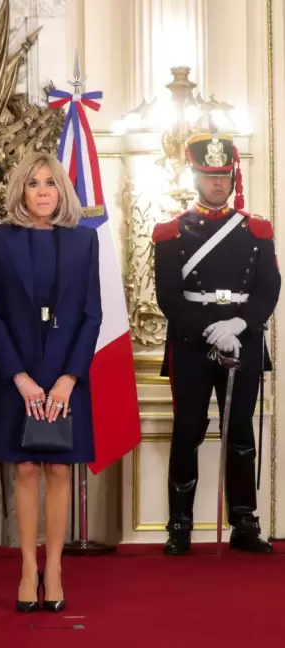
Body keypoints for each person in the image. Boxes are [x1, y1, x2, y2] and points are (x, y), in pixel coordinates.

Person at [0, 152, 101, 612]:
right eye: (33, 183)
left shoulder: (83, 242)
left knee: (58, 469)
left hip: (67, 374)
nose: (43, 191)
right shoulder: (1, 238)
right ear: (21, 191)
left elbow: (92, 314)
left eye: (50, 183)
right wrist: (21, 378)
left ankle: (54, 568)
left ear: (62, 190)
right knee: (26, 469)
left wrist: (70, 377)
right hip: (19, 375)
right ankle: (28, 569)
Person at [152, 132, 280, 555]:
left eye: (224, 175)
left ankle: (244, 523)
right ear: (194, 175)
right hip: (192, 341)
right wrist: (210, 331)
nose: (217, 183)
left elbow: (269, 287)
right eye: (209, 176)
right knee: (187, 430)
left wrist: (239, 324)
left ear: (232, 175)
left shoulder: (257, 229)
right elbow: (168, 296)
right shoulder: (170, 232)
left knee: (240, 432)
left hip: (242, 338)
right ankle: (180, 525)